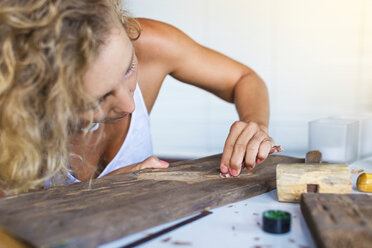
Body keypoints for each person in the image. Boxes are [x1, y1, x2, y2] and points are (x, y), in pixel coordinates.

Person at [0, 0, 279, 196]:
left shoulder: (149, 42)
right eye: (95, 101)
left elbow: (244, 79)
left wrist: (256, 126)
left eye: (128, 68)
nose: (129, 106)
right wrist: (94, 195)